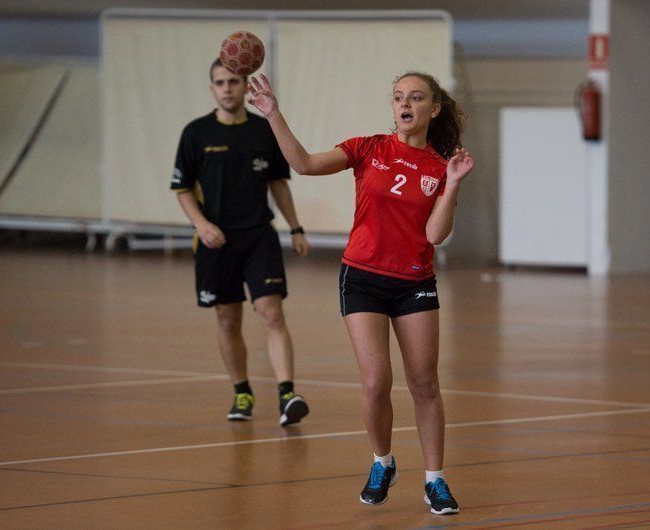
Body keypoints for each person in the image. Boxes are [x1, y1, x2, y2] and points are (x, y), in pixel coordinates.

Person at [247, 71, 473, 514]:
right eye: (397, 97)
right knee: (375, 383)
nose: (404, 104)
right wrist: (273, 114)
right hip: (363, 276)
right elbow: (305, 164)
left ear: (434, 108)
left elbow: (434, 235)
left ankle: (435, 480)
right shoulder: (368, 148)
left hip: (414, 282)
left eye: (415, 97)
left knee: (425, 383)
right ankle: (382, 462)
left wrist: (454, 183)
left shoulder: (439, 168)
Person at [171, 59, 311, 427]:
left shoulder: (263, 132)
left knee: (271, 312)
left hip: (258, 236)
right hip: (216, 242)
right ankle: (242, 391)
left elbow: (278, 184)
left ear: (245, 85)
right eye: (220, 82)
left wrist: (295, 228)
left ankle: (287, 394)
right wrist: (201, 225)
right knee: (227, 318)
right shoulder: (195, 133)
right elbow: (182, 189)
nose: (227, 88)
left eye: (233, 81)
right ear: (212, 88)